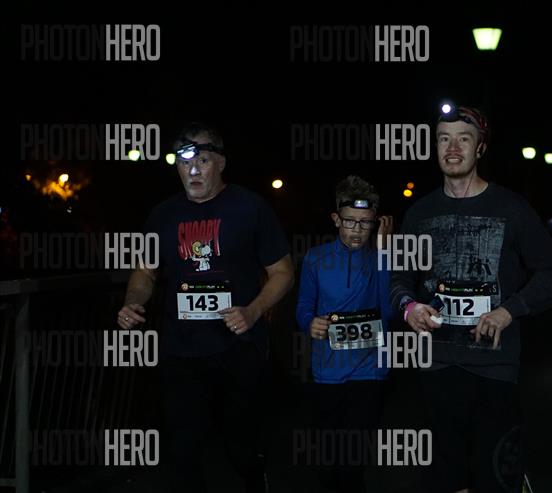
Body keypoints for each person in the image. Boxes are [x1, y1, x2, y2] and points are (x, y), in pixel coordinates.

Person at [390, 106, 552, 492]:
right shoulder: (419, 213)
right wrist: (409, 307)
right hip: (437, 366)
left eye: (464, 139)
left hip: (494, 367)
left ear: (481, 148)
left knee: (494, 477)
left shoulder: (512, 209)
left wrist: (508, 311)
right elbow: (399, 277)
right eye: (444, 139)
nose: (452, 147)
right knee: (444, 479)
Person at [117, 122, 294, 493]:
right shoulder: (162, 215)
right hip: (181, 350)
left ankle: (255, 476)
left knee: (240, 445)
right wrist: (133, 301)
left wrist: (253, 311)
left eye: (203, 160)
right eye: (185, 163)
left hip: (239, 347)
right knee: (183, 449)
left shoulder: (250, 207)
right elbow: (145, 272)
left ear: (221, 163)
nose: (193, 170)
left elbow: (282, 272)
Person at [295, 175, 393, 492]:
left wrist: (385, 253)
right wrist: (309, 323)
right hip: (327, 372)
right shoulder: (315, 258)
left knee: (353, 463)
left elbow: (389, 313)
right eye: (350, 221)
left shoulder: (382, 258)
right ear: (336, 219)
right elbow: (303, 305)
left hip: (370, 372)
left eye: (365, 222)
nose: (357, 230)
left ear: (376, 223)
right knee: (327, 463)